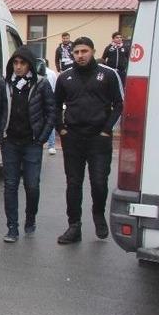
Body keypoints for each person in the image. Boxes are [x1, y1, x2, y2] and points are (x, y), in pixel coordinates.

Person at [55, 36, 124, 244]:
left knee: (99, 182)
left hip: (99, 138)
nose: (80, 55)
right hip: (73, 138)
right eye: (76, 52)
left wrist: (106, 129)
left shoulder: (109, 74)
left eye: (84, 51)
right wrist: (61, 130)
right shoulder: (64, 77)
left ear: (93, 51)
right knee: (73, 184)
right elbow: (55, 106)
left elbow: (119, 104)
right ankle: (74, 226)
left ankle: (98, 214)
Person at [0, 46, 56, 243]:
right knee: (10, 185)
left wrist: (42, 137)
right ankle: (12, 228)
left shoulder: (41, 84)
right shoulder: (4, 84)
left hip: (32, 143)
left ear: (29, 65)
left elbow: (51, 112)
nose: (18, 67)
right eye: (15, 63)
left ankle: (30, 218)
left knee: (32, 185)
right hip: (10, 142)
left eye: (22, 63)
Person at [38, 57, 59, 155]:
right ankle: (49, 145)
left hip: (46, 100)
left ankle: (50, 145)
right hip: (44, 100)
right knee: (46, 122)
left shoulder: (50, 74)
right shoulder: (52, 73)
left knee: (48, 121)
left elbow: (55, 86)